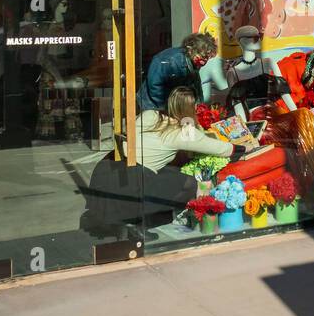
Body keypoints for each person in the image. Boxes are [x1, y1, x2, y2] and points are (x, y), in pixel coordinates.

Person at [81, 87, 249, 236]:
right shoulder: (181, 132)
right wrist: (244, 148)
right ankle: (138, 223)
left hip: (108, 169)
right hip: (131, 181)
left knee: (173, 174)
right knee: (189, 183)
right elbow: (220, 148)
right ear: (191, 109)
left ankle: (131, 223)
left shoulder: (150, 115)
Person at [137, 32, 225, 111]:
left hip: (171, 105)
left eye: (207, 57)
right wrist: (164, 109)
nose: (205, 61)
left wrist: (199, 107)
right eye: (203, 56)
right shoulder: (170, 60)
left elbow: (196, 86)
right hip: (151, 105)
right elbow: (155, 86)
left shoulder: (193, 62)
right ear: (191, 50)